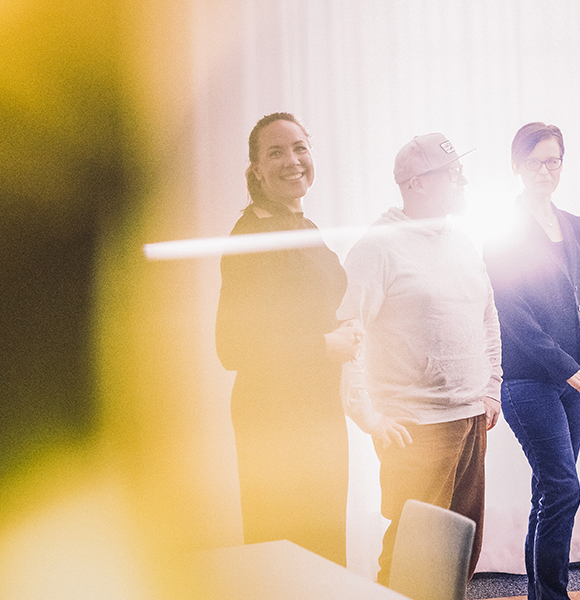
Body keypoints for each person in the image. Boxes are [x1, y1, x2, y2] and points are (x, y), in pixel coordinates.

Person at [339, 133, 502, 586]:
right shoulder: (378, 247)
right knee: (414, 555)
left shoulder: (462, 242)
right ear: (416, 184)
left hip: (470, 419)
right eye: (452, 174)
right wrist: (368, 416)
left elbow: (487, 317)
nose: (463, 181)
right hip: (415, 427)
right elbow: (348, 333)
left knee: (460, 551)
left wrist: (491, 389)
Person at [215, 112, 361, 566]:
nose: (292, 159)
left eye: (299, 147)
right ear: (256, 169)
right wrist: (324, 346)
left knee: (323, 552)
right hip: (273, 420)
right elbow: (232, 347)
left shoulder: (306, 228)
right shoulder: (251, 236)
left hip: (318, 409)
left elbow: (312, 309)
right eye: (275, 152)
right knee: (287, 556)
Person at [483, 123, 580, 600]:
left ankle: (542, 597)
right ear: (516, 167)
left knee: (550, 492)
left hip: (579, 382)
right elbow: (512, 315)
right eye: (535, 161)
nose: (545, 169)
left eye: (553, 160)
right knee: (563, 489)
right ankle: (553, 596)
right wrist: (567, 367)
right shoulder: (503, 229)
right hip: (528, 381)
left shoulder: (577, 226)